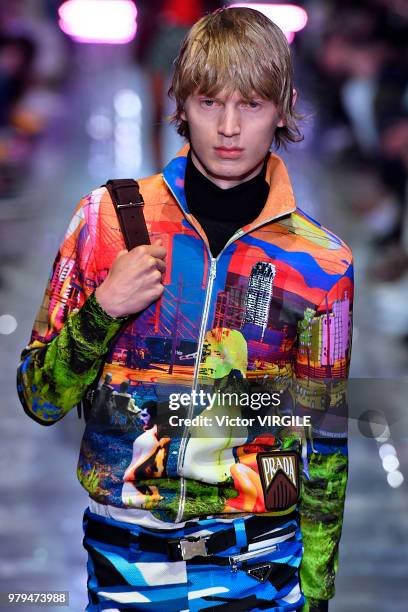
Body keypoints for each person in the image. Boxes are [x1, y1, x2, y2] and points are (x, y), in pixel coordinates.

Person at [17, 7, 354, 612]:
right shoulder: (108, 223)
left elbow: (325, 445)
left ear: (283, 107)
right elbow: (40, 398)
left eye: (250, 104)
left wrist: (317, 595)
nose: (228, 127)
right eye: (208, 103)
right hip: (127, 561)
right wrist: (102, 310)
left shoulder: (320, 264)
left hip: (261, 567)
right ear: (179, 105)